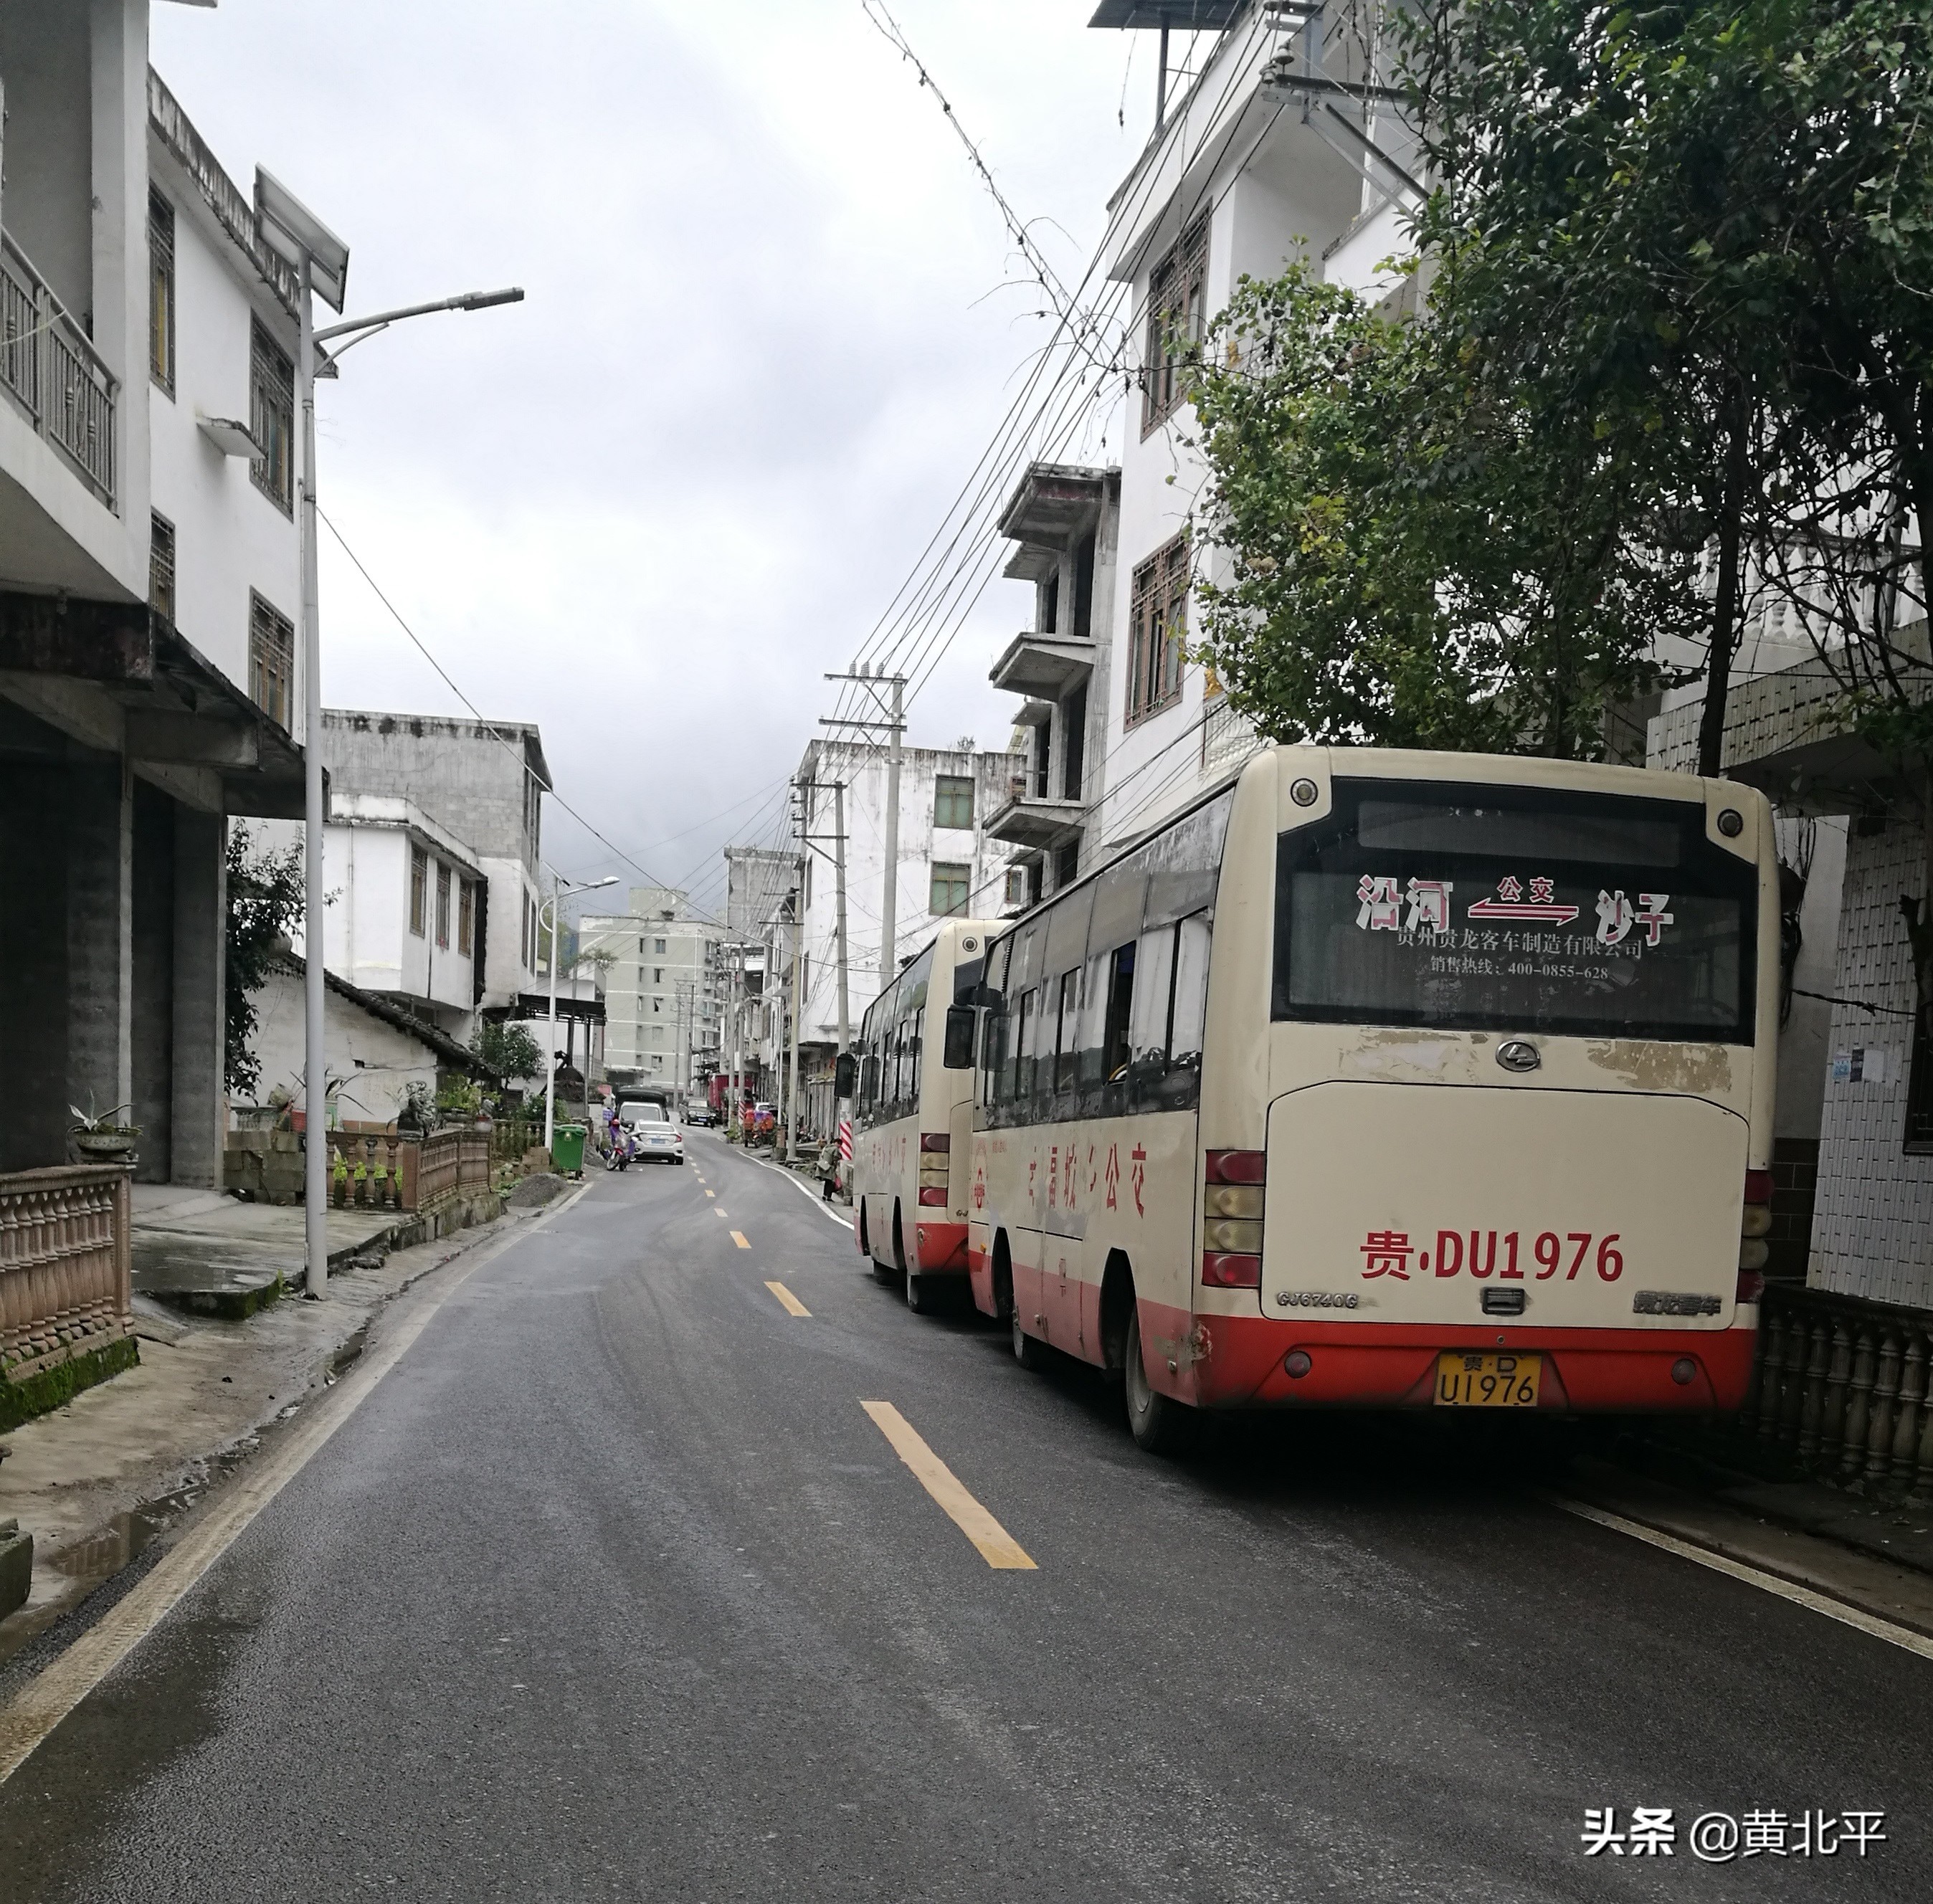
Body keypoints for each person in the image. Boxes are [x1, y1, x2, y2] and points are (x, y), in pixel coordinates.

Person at [817, 1135, 840, 1201]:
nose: (839, 1146)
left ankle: (824, 1195)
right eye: (839, 1144)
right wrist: (835, 1167)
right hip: (830, 1167)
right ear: (836, 1143)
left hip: (824, 1166)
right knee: (831, 1183)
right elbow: (835, 1158)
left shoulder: (826, 1147)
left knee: (827, 1182)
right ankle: (829, 1197)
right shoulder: (835, 1149)